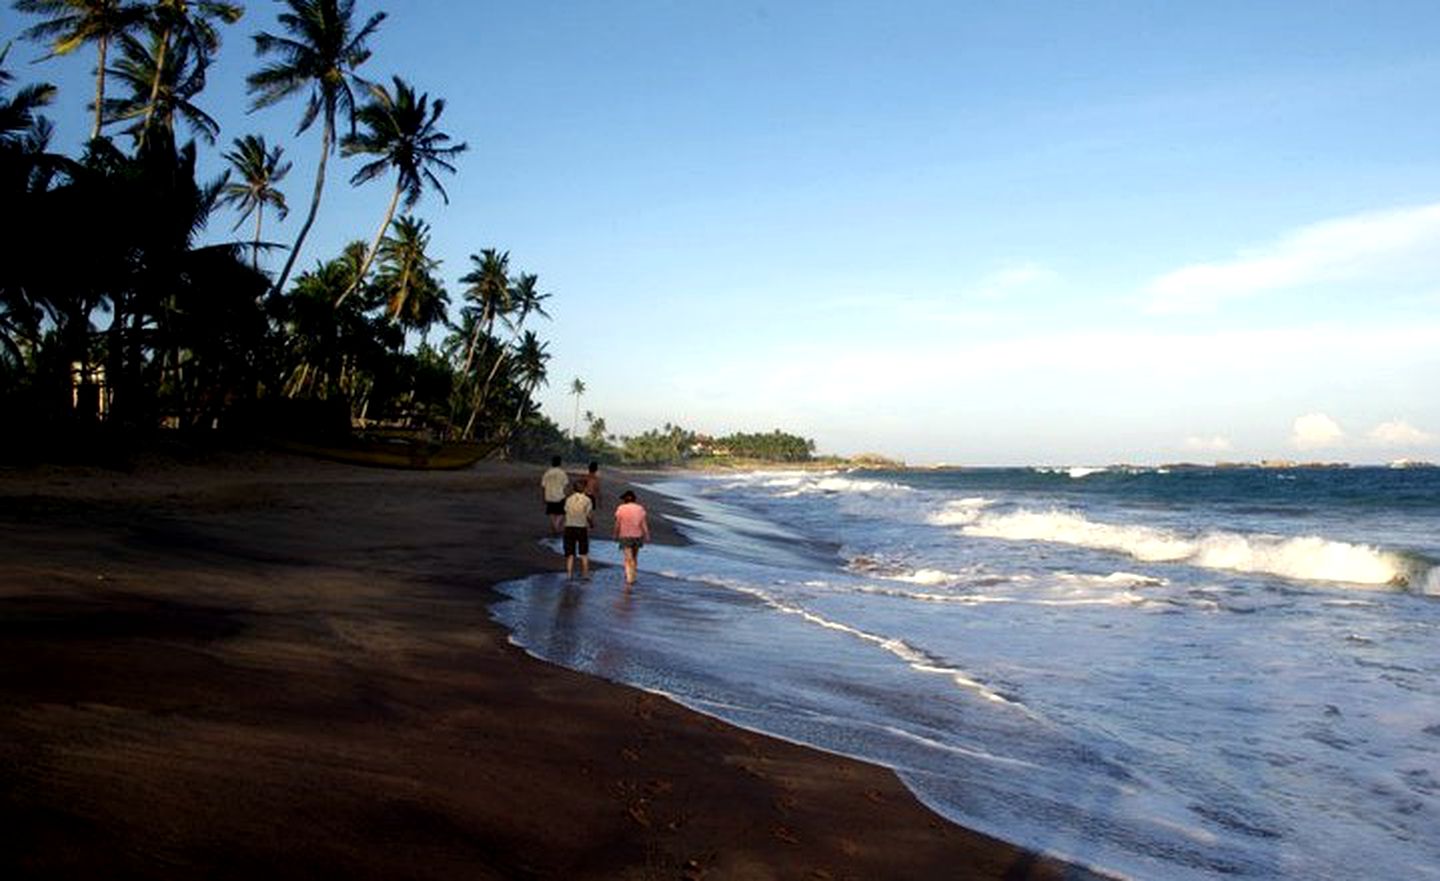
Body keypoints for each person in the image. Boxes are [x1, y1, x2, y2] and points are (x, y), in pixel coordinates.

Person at [613, 489, 651, 587]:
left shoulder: (621, 508)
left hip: (625, 535)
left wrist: (615, 533)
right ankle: (633, 575)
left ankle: (629, 578)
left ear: (624, 500)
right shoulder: (640, 508)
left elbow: (618, 523)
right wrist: (646, 534)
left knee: (628, 558)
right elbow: (643, 523)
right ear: (634, 499)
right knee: (634, 557)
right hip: (637, 535)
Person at [562, 479, 594, 580]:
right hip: (581, 528)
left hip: (569, 527)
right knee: (584, 553)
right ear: (584, 488)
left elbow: (566, 512)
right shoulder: (587, 500)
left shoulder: (568, 499)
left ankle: (569, 574)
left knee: (570, 553)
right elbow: (588, 515)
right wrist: (591, 524)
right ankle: (585, 574)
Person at [540, 456, 569, 536]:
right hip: (560, 495)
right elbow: (565, 486)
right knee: (562, 512)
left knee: (552, 512)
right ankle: (556, 525)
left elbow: (543, 486)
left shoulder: (547, 473)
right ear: (560, 463)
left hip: (549, 495)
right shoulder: (562, 473)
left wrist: (543, 497)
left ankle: (555, 525)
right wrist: (566, 495)